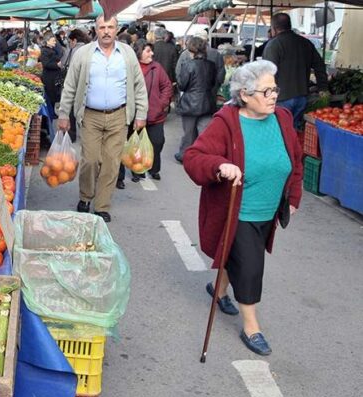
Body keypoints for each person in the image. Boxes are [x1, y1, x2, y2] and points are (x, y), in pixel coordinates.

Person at [183, 60, 304, 356]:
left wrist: (293, 197)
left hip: (268, 211)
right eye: (266, 91)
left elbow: (296, 160)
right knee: (250, 267)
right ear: (245, 95)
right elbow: (194, 157)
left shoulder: (284, 118)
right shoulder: (227, 122)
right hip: (239, 212)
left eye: (275, 89)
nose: (274, 96)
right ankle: (252, 326)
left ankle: (220, 290)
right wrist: (220, 165)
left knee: (238, 256)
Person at [58, 14, 148, 222]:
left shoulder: (127, 54)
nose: (106, 31)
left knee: (111, 162)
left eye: (110, 27)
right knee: (90, 160)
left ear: (117, 30)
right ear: (95, 30)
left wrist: (141, 114)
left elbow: (139, 86)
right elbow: (70, 85)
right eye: (102, 27)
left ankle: (102, 205)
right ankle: (85, 196)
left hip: (119, 116)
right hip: (90, 115)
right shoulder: (83, 54)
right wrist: (64, 113)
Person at [263, 13, 329, 129]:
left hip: (281, 98)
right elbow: (320, 65)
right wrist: (322, 87)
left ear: (274, 28)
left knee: (279, 132)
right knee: (293, 132)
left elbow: (268, 73)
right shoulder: (306, 43)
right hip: (301, 97)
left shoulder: (273, 45)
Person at [121, 40, 172, 181]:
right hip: (135, 115)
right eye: (148, 51)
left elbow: (167, 86)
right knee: (135, 144)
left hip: (155, 115)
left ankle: (154, 168)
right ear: (139, 52)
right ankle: (137, 170)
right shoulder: (130, 68)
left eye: (151, 50)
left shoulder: (157, 68)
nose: (152, 53)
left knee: (157, 142)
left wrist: (161, 104)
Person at [174, 36, 217, 163]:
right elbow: (213, 83)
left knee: (189, 133)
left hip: (190, 103)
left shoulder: (188, 65)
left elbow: (182, 85)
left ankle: (184, 155)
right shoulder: (211, 65)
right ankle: (203, 156)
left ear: (191, 49)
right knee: (204, 132)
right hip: (207, 101)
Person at [61, 29, 91, 142]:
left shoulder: (75, 50)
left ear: (74, 40)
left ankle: (71, 134)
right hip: (86, 85)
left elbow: (65, 63)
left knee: (73, 107)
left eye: (70, 41)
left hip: (75, 83)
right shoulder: (89, 49)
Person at [177, 31, 225, 99]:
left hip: (189, 95)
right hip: (209, 94)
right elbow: (221, 73)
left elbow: (178, 72)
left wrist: (183, 87)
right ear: (206, 40)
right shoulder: (216, 54)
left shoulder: (185, 54)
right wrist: (215, 86)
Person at [39, 32, 62, 120]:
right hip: (49, 77)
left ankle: (52, 113)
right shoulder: (44, 51)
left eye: (55, 41)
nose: (55, 42)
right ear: (47, 41)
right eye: (53, 41)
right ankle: (51, 114)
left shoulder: (52, 49)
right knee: (50, 96)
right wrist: (57, 65)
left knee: (54, 95)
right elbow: (46, 64)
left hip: (54, 76)